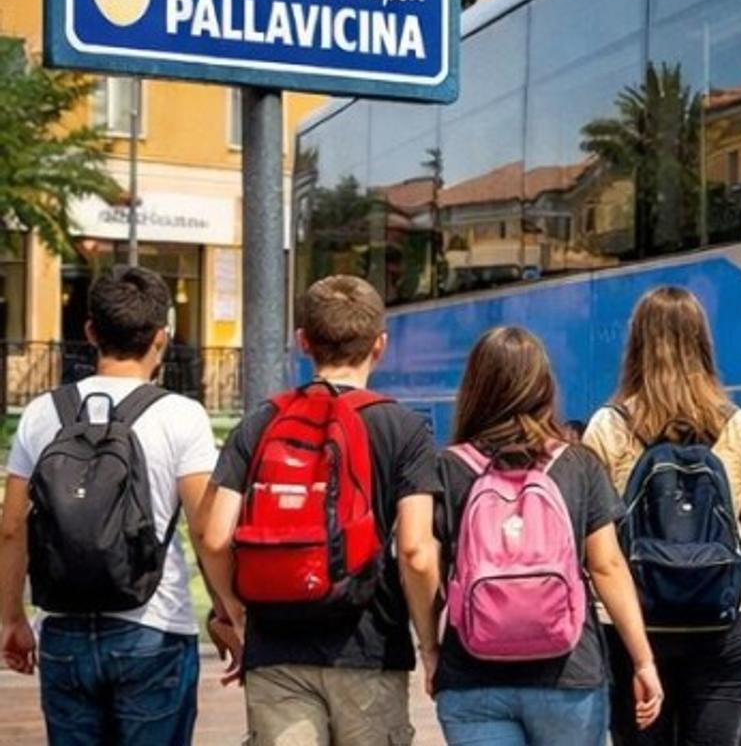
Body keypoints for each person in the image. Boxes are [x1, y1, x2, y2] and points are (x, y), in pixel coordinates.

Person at [197, 276, 441, 746]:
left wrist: (236, 611)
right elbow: (415, 551)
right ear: (380, 345)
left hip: (276, 651)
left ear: (303, 342)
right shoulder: (404, 428)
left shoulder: (262, 420)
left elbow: (213, 537)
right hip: (370, 652)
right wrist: (429, 643)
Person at [0, 266, 223, 745]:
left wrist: (11, 619)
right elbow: (207, 530)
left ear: (90, 332)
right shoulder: (182, 416)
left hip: (62, 627)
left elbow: (12, 527)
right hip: (154, 627)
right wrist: (230, 614)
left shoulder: (42, 413)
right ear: (162, 336)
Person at [427, 326, 664, 744]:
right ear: (543, 386)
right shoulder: (578, 464)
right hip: (568, 675)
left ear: (474, 387)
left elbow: (420, 559)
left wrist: (430, 647)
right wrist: (643, 661)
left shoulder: (447, 467)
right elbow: (608, 567)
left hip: (471, 677)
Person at [583, 286, 741, 746]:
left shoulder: (607, 427)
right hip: (723, 621)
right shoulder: (738, 426)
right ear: (702, 344)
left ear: (636, 344)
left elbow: (595, 546)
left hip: (633, 625)